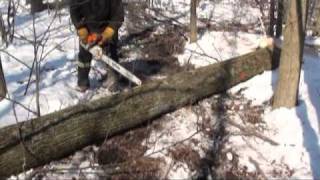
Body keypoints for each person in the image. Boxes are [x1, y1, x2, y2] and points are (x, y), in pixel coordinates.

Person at [69, 0, 124, 92]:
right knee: (84, 57)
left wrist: (107, 33)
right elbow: (74, 10)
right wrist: (81, 28)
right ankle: (82, 82)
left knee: (111, 54)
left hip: (107, 26)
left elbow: (118, 16)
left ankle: (113, 81)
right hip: (87, 28)